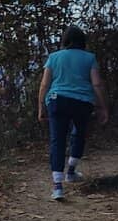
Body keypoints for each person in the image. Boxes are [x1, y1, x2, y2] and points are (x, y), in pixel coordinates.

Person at [38, 25, 109, 201]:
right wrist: (102, 106)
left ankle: (57, 186)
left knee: (57, 140)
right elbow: (97, 84)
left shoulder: (54, 57)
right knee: (79, 134)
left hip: (57, 100)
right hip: (82, 102)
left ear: (65, 41)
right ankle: (71, 171)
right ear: (82, 41)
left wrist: (41, 106)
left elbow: (45, 84)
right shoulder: (89, 58)